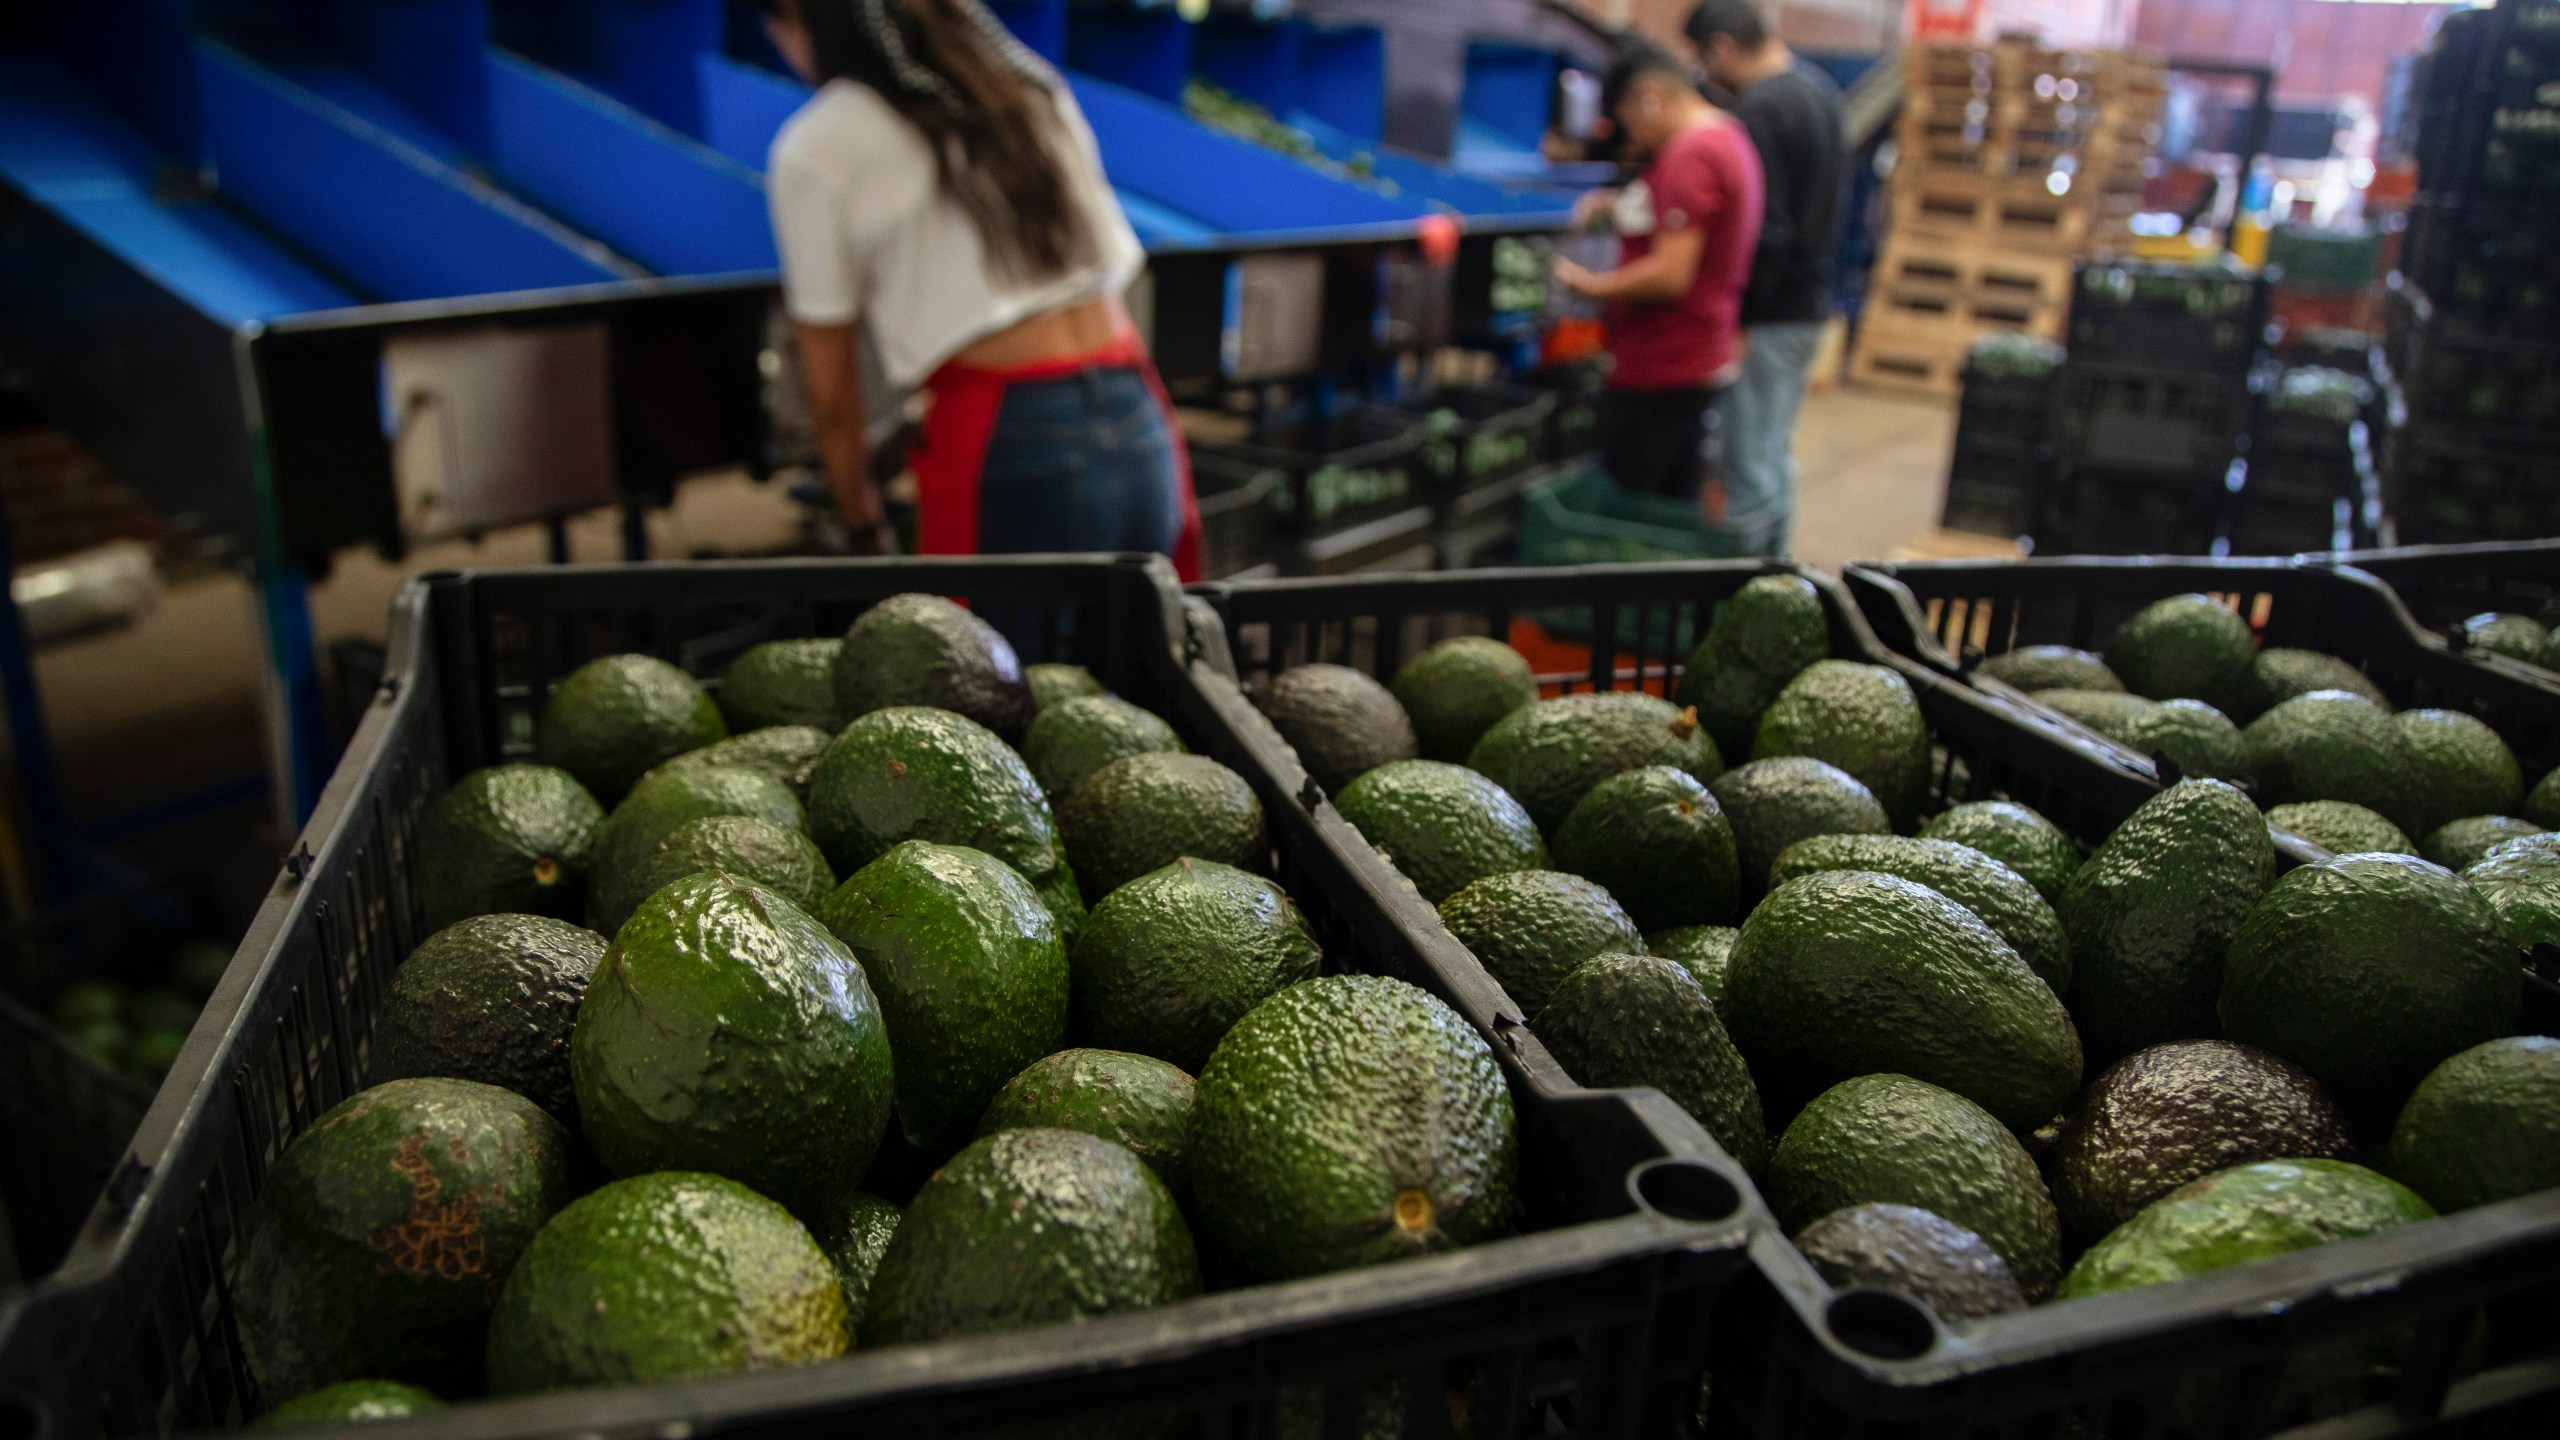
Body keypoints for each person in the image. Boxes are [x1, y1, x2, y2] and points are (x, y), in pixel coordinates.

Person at [755, 0, 1198, 576]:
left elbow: (833, 398)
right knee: (1135, 653)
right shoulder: (1022, 87)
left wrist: (862, 522)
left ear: (795, 21)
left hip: (1010, 434)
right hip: (1137, 413)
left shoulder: (816, 145)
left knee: (997, 664)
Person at [1552, 49, 1763, 504]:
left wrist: (1585, 282)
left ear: (1651, 98)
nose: (1636, 137)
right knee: (1674, 498)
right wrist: (1618, 204)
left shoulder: (1692, 154)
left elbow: (1671, 274)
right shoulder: (1727, 135)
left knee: (1640, 510)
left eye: (1628, 120)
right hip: (1699, 355)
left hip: (1663, 363)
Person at [1685, 0, 1845, 557]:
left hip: (1773, 314)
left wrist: (1743, 320)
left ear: (1723, 47)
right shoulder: (1818, 90)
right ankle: (1777, 579)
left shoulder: (1762, 110)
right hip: (1809, 304)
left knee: (1749, 463)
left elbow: (1766, 232)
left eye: (1706, 61)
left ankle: (1752, 598)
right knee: (1772, 455)